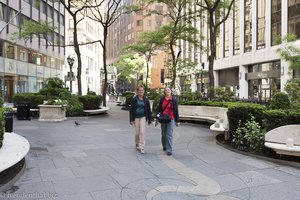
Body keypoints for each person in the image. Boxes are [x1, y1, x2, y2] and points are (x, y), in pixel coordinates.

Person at [156, 87, 179, 156]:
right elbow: (159, 109)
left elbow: (176, 111)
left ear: (171, 91)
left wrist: (177, 121)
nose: (167, 91)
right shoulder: (162, 99)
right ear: (165, 92)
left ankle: (169, 149)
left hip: (171, 118)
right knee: (163, 134)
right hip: (163, 118)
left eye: (168, 90)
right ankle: (164, 146)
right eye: (166, 90)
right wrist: (157, 118)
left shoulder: (174, 100)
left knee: (169, 134)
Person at [129, 85, 152, 154]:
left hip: (143, 117)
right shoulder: (134, 99)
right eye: (140, 90)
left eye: (142, 90)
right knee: (137, 133)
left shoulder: (146, 99)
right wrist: (131, 119)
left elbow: (148, 110)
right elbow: (131, 110)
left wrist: (150, 119)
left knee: (142, 132)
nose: (141, 92)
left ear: (144, 91)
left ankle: (141, 147)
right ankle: (137, 143)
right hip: (136, 117)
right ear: (137, 91)